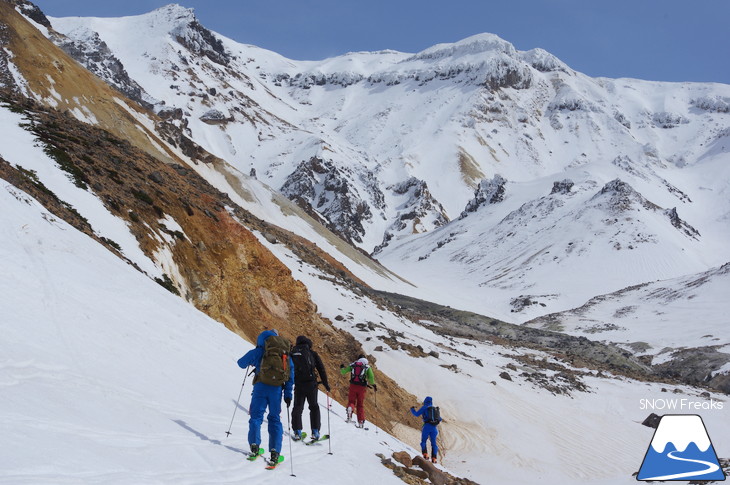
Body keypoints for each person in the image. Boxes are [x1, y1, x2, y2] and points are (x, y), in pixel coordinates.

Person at [237, 329, 294, 465]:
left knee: (256, 417)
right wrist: (288, 395)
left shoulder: (259, 352)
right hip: (276, 391)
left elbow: (240, 363)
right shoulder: (284, 355)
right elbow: (290, 377)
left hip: (260, 388)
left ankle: (255, 447)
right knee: (274, 419)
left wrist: (254, 359)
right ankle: (275, 453)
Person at [290, 335, 330, 441]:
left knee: (298, 407)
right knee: (314, 407)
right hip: (311, 384)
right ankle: (315, 431)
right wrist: (326, 384)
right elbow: (321, 369)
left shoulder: (293, 353)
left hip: (298, 384)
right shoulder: (312, 353)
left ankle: (297, 431)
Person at [339, 355, 376, 428]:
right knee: (360, 404)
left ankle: (350, 409)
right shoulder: (367, 367)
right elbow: (371, 377)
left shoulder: (353, 365)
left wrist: (342, 368)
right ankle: (361, 421)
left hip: (353, 385)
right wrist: (373, 384)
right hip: (362, 388)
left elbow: (343, 372)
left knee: (351, 401)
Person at [410, 396, 442, 463]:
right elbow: (440, 419)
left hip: (427, 426)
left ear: (425, 401)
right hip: (434, 428)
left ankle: (425, 454)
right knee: (434, 443)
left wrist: (412, 409)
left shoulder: (425, 407)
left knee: (423, 441)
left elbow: (416, 414)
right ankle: (434, 458)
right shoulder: (435, 409)